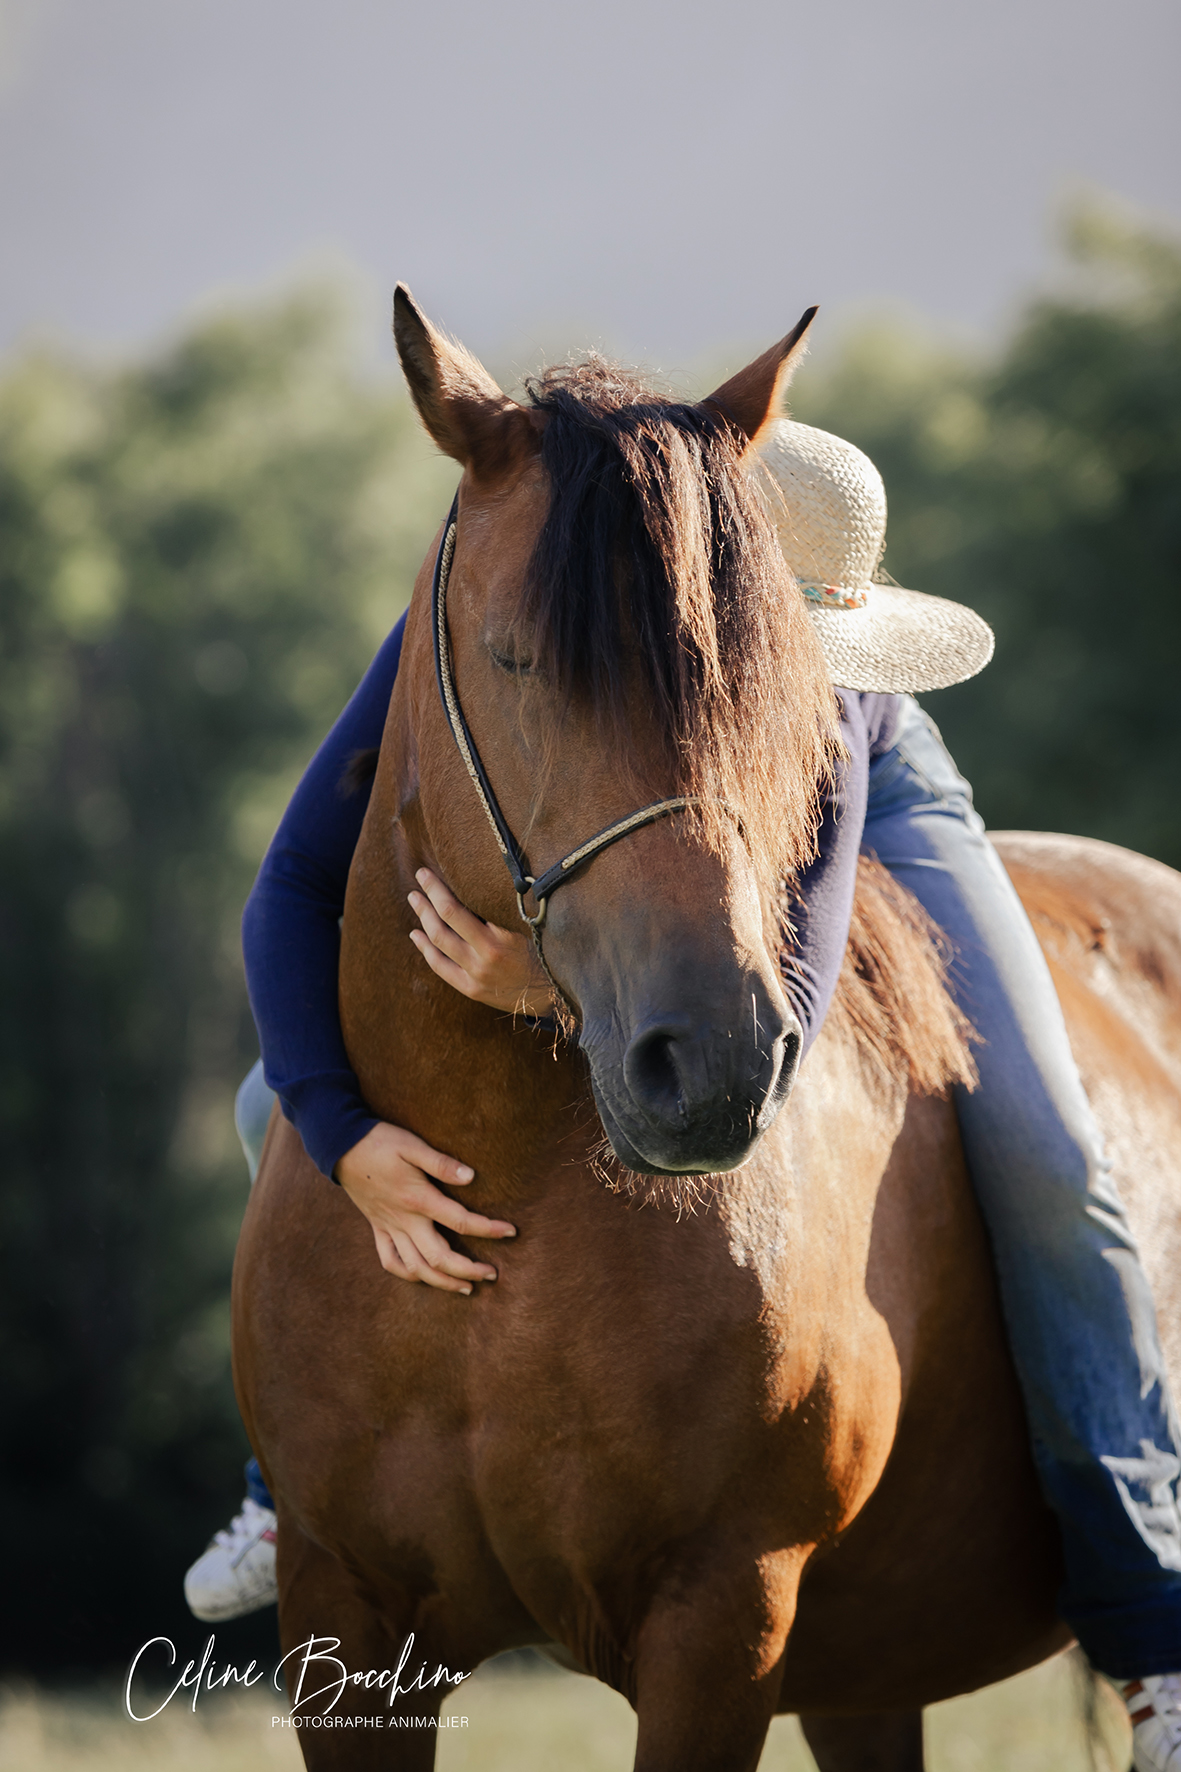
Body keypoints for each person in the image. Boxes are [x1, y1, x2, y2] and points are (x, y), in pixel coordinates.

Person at [184, 416, 1181, 1770]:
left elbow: (795, 984)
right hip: (675, 749)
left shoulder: (833, 701)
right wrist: (342, 1131)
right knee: (267, 1110)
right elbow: (295, 883)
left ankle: (1148, 1623)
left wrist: (555, 994)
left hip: (881, 801)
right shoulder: (529, 628)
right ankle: (282, 1486)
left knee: (1053, 1156)